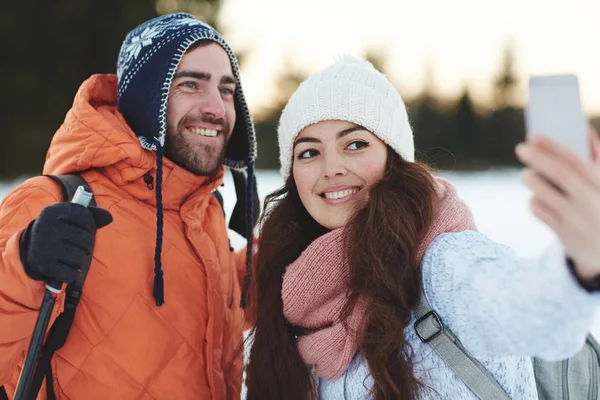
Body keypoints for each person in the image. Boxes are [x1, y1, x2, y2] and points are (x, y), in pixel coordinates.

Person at [244, 56, 600, 400]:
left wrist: (579, 265)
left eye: (355, 144)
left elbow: (523, 311)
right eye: (308, 152)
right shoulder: (290, 290)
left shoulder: (443, 261)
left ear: (393, 158)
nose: (331, 167)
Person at [0, 12, 257, 400]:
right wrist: (24, 267)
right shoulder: (55, 202)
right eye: (190, 84)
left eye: (225, 89)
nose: (217, 109)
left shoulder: (204, 209)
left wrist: (288, 246)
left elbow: (216, 307)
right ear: (145, 98)